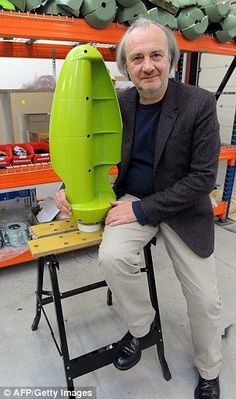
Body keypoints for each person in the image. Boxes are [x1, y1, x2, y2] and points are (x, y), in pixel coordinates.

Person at [54, 18, 222, 399]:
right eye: (137, 58)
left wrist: (142, 211)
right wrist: (71, 185)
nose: (147, 65)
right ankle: (140, 326)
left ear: (172, 61)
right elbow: (89, 146)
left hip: (182, 208)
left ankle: (209, 370)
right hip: (131, 198)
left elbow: (200, 179)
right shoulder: (120, 103)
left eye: (156, 55)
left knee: (205, 299)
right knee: (112, 257)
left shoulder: (200, 104)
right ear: (125, 66)